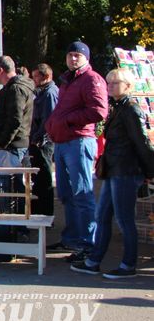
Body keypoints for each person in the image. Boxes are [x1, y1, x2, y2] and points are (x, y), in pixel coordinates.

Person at [71, 68, 154, 279]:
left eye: (116, 83)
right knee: (103, 215)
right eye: (109, 83)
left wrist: (150, 170)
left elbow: (142, 142)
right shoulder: (118, 107)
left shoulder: (131, 109)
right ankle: (94, 260)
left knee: (124, 219)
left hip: (126, 170)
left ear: (127, 86)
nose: (110, 87)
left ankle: (128, 265)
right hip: (113, 168)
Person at [44, 41, 108, 259]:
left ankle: (89, 244)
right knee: (65, 194)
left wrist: (68, 121)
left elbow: (99, 111)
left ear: (86, 58)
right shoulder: (67, 81)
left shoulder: (92, 79)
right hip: (63, 143)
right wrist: (53, 126)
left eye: (77, 56)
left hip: (79, 142)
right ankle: (71, 240)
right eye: (70, 55)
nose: (73, 59)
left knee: (82, 193)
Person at [0, 55, 35, 158]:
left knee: (7, 174)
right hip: (10, 146)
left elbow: (15, 119)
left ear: (0, 70)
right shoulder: (10, 88)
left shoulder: (16, 89)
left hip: (12, 147)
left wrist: (1, 144)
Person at [29, 63, 59, 216]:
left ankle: (46, 214)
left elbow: (49, 119)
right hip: (39, 140)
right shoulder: (42, 92)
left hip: (44, 143)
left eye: (36, 77)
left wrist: (37, 138)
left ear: (46, 77)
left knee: (44, 178)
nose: (33, 80)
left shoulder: (49, 93)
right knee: (39, 178)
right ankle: (40, 211)